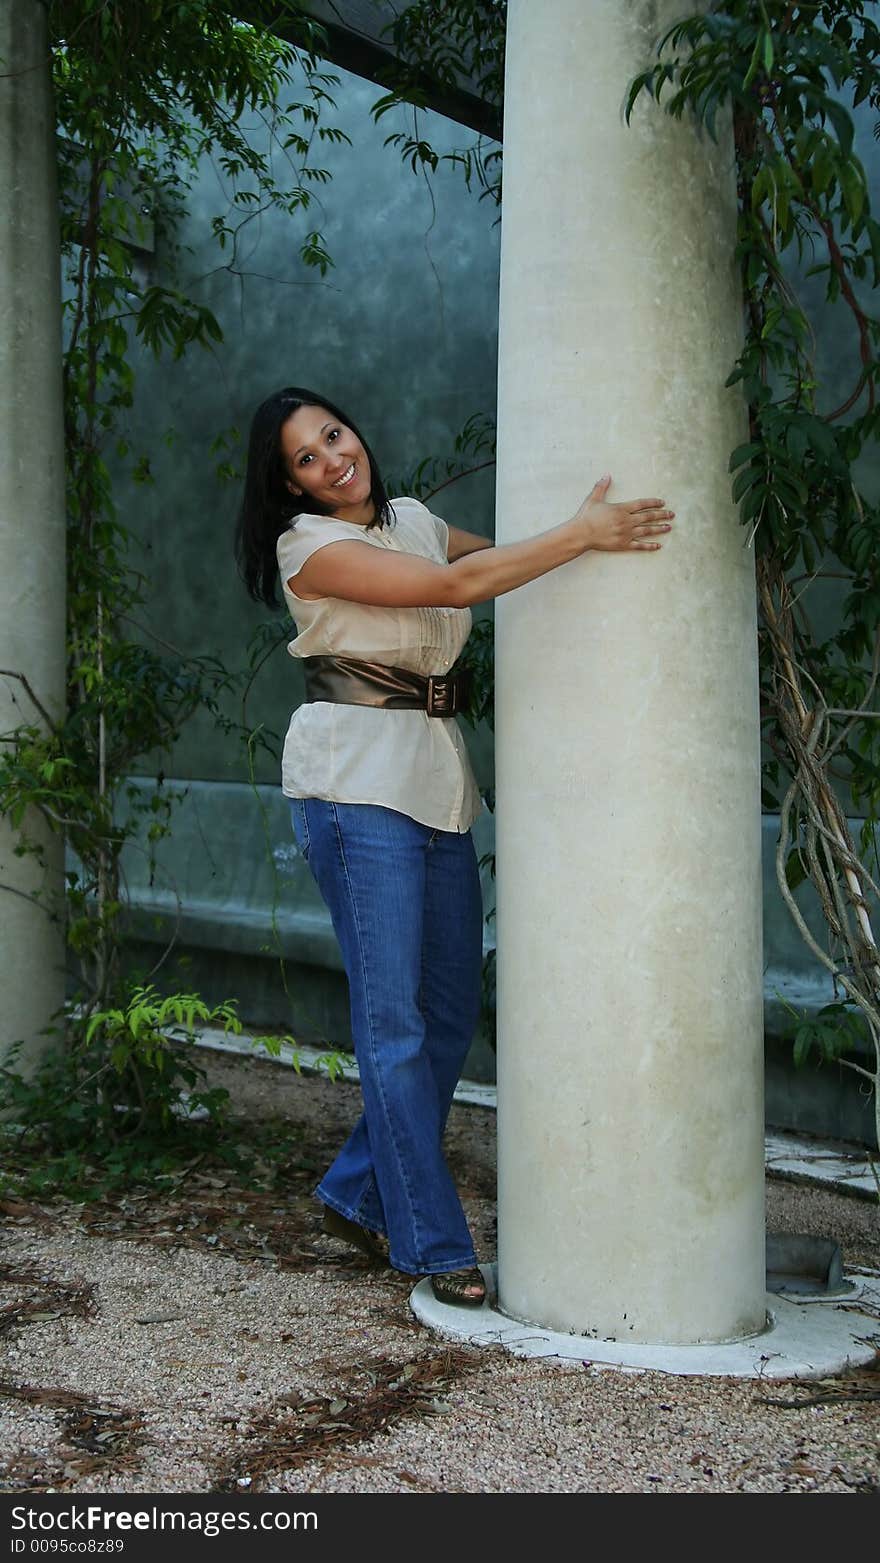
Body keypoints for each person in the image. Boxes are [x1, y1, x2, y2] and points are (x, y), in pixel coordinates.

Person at [235, 385, 674, 1309]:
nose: (332, 460)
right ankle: (434, 1246)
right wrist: (585, 533)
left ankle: (357, 1188)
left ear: (356, 430)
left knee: (447, 1009)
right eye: (306, 460)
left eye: (333, 435)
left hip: (435, 782)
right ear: (290, 487)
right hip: (355, 786)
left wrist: (574, 526)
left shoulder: (414, 519)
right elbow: (452, 587)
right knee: (393, 1023)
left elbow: (494, 557)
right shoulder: (309, 548)